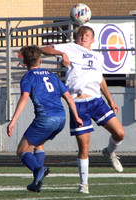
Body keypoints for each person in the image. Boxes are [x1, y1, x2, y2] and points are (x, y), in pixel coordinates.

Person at [40, 24, 125, 194]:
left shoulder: (97, 57)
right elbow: (43, 49)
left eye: (87, 35)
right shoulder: (71, 48)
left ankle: (109, 152)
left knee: (120, 133)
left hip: (97, 101)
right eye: (80, 34)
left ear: (92, 40)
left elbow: (100, 80)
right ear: (77, 38)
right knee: (84, 147)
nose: (83, 37)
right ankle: (83, 184)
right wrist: (62, 53)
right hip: (78, 104)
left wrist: (110, 100)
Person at [7, 45, 83, 193]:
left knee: (22, 150)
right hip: (61, 119)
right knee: (39, 143)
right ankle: (38, 183)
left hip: (45, 119)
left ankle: (38, 170)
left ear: (24, 64)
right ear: (40, 61)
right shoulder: (52, 75)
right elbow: (68, 97)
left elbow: (24, 97)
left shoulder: (28, 77)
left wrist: (13, 120)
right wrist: (77, 116)